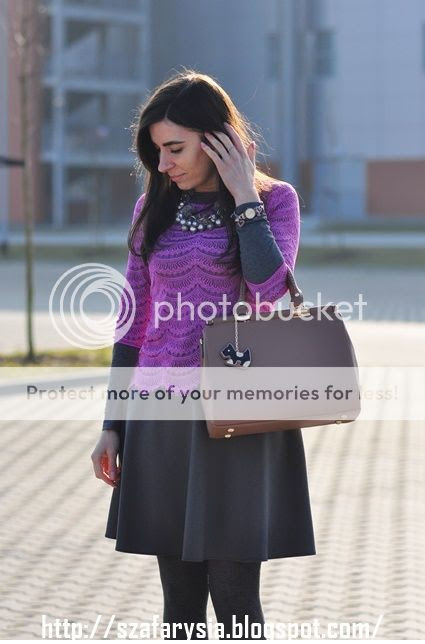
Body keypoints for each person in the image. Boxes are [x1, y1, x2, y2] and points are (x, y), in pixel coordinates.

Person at [91, 69, 316, 640]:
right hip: (161, 419)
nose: (163, 164)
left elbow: (269, 296)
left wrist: (244, 199)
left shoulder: (275, 201)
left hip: (240, 416)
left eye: (175, 148)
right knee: (181, 602)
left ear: (218, 140)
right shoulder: (152, 208)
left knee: (236, 597)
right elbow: (132, 321)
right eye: (156, 152)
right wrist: (112, 425)